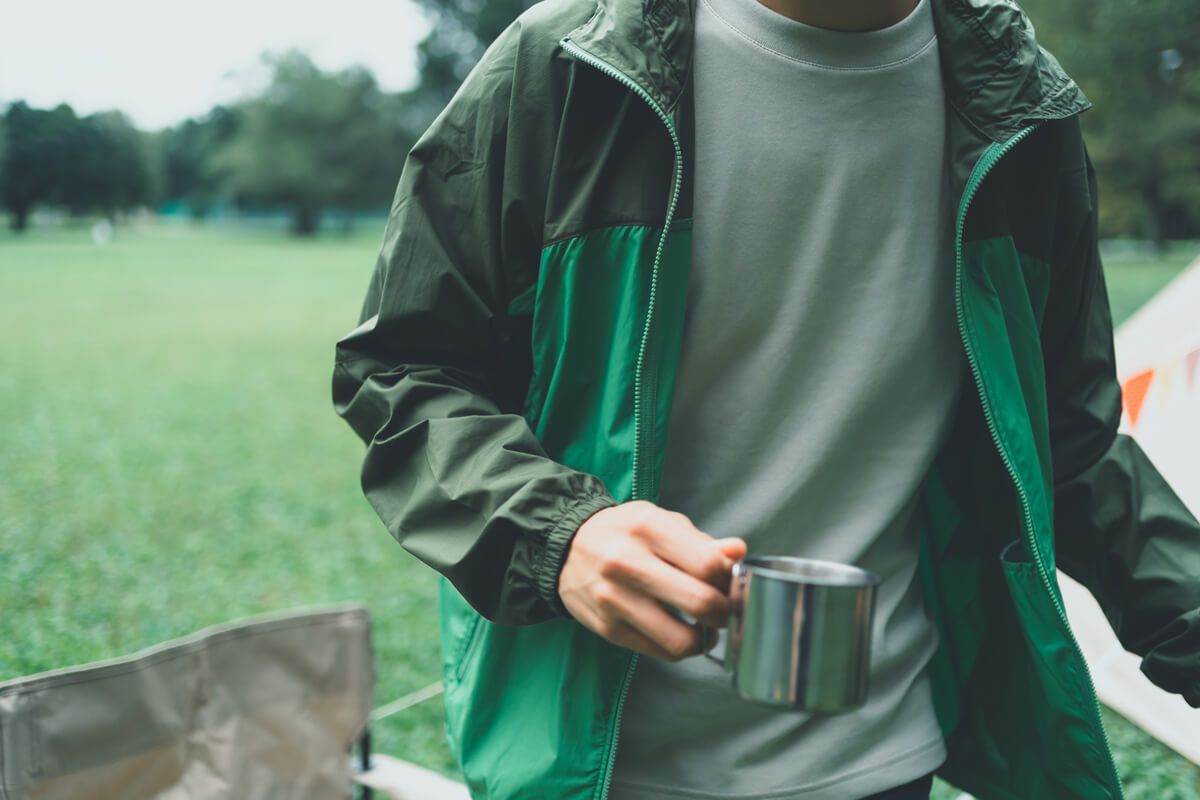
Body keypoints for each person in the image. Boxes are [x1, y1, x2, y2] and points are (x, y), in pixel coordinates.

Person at [332, 0, 1200, 795]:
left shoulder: (1018, 101)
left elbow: (1068, 443)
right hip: (601, 766)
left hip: (887, 760)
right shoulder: (569, 63)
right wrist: (563, 534)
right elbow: (405, 371)